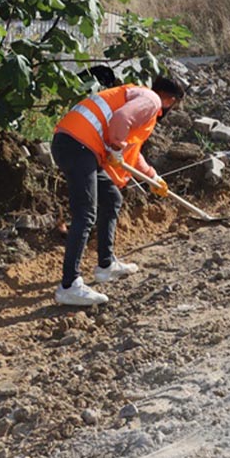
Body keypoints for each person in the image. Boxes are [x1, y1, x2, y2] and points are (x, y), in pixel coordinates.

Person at [50, 76, 185, 306]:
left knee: (112, 197)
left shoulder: (136, 98)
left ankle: (106, 265)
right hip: (78, 145)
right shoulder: (151, 100)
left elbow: (131, 153)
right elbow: (121, 121)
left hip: (78, 145)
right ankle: (69, 286)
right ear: (170, 100)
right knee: (85, 214)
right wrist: (115, 146)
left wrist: (153, 177)